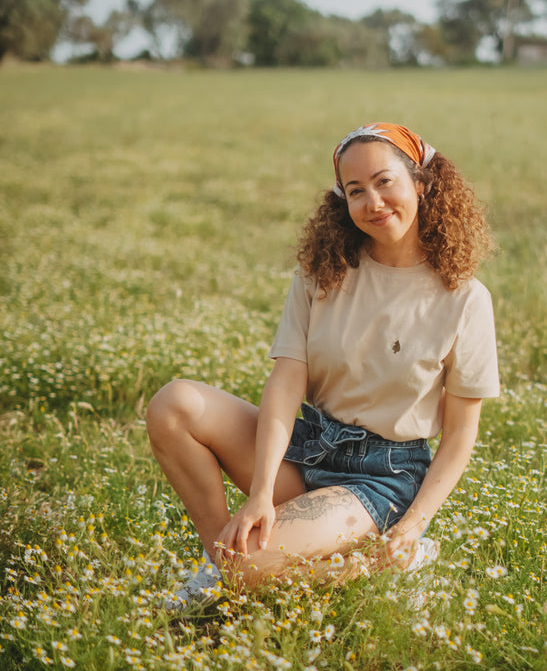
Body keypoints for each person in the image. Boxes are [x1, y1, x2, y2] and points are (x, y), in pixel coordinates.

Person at [146, 122, 500, 610]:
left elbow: (461, 434)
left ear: (421, 182)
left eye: (384, 182)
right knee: (174, 405)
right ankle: (220, 562)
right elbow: (286, 381)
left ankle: (389, 561)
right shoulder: (324, 271)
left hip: (383, 475)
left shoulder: (464, 298)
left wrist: (414, 522)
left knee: (247, 568)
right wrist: (261, 494)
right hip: (311, 445)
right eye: (355, 191)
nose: (372, 202)